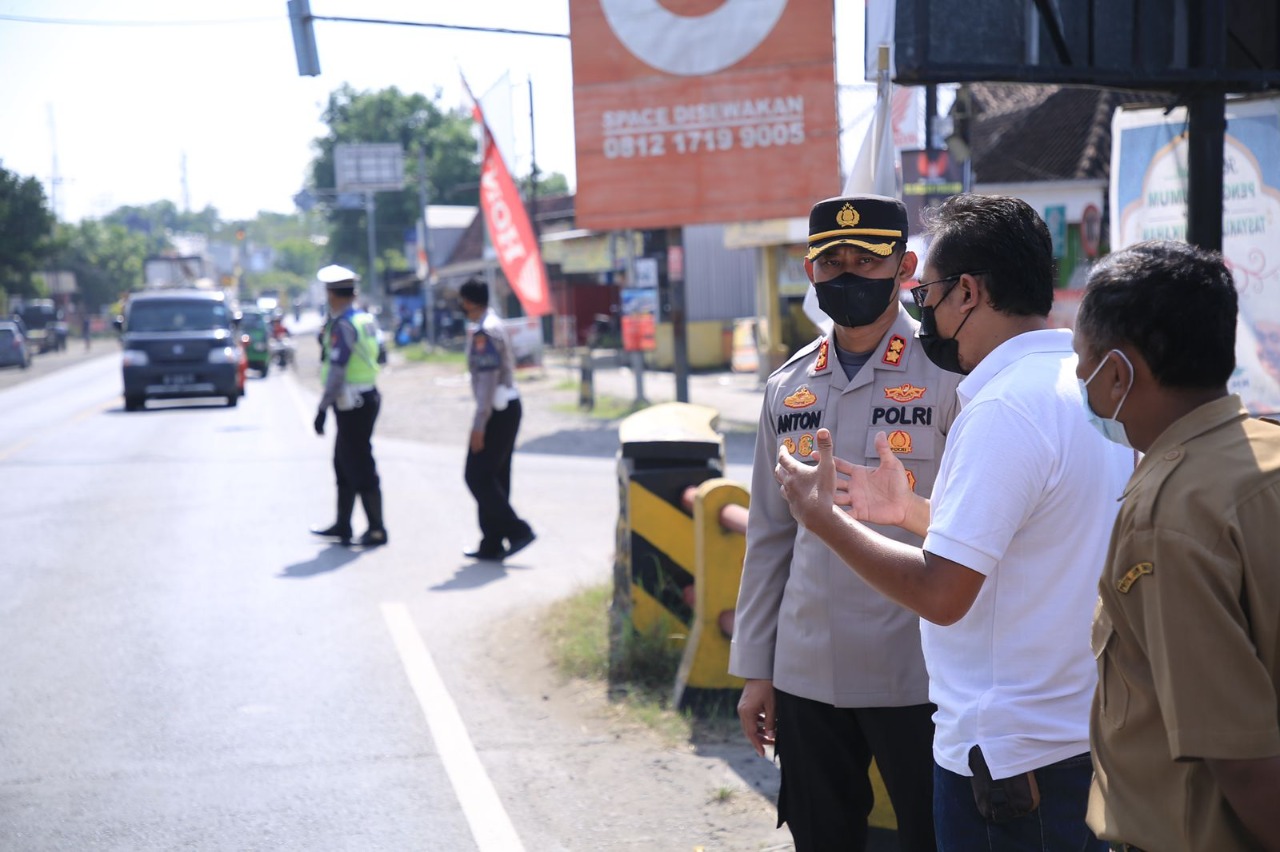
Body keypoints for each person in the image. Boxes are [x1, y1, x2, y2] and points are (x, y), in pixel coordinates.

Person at [773, 194, 1132, 850]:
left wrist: (824, 519)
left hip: (1010, 765)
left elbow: (942, 593)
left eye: (927, 290)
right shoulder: (1082, 390)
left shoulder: (1002, 409)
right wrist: (910, 513)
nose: (921, 308)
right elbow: (1031, 544)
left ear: (967, 293)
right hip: (1083, 738)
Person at [729, 194, 961, 851]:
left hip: (917, 673)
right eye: (832, 262)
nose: (848, 274)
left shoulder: (948, 377)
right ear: (810, 271)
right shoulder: (787, 386)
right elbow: (770, 536)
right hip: (810, 672)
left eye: (867, 259)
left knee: (934, 837)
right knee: (822, 837)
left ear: (904, 265)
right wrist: (756, 669)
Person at [1074, 240, 1280, 850]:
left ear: (1118, 372)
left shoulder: (1167, 511)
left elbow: (1239, 757)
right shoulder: (1265, 455)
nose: (1081, 382)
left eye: (1082, 363)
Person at [310, 265, 388, 548]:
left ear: (331, 294)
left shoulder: (342, 325)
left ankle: (377, 529)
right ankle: (343, 524)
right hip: (365, 396)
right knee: (343, 462)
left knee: (359, 464)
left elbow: (337, 369)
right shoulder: (364, 319)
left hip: (352, 402)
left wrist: (321, 407)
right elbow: (382, 355)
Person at [458, 278, 535, 561]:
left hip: (496, 410)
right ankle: (491, 542)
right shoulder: (494, 324)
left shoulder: (484, 333)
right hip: (505, 407)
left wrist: (479, 425)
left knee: (476, 475)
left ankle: (517, 530)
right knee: (495, 476)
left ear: (468, 301)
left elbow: (487, 384)